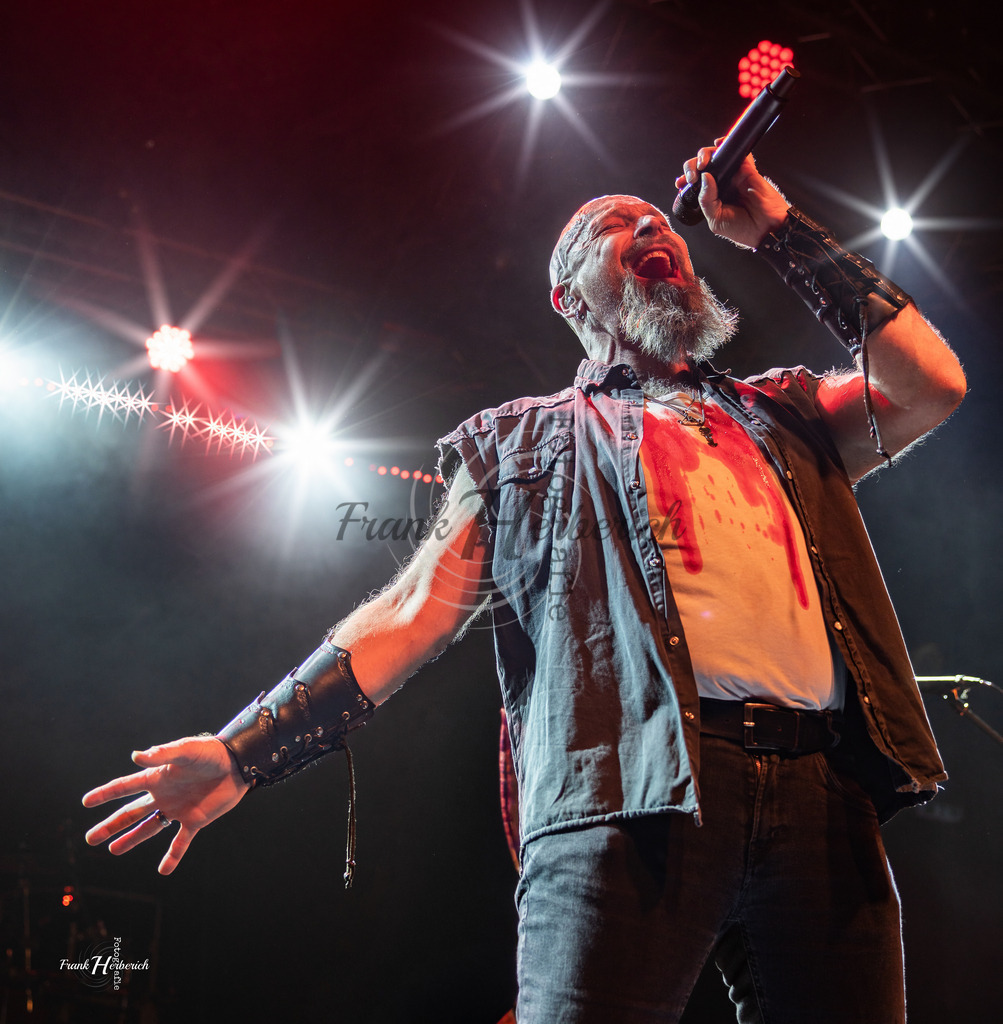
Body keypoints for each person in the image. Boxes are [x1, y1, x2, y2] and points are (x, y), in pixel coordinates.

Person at [83, 147, 966, 1023]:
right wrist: (247, 749)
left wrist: (776, 229)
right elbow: (411, 610)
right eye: (609, 226)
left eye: (657, 219)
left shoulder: (786, 413)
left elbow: (931, 383)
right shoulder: (517, 442)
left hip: (822, 795)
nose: (650, 226)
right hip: (625, 793)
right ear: (567, 297)